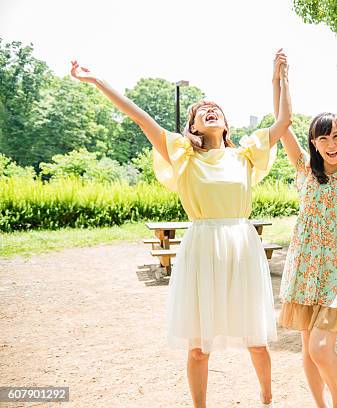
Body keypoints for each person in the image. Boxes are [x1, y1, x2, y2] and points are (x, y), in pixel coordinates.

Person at [70, 55, 293, 407]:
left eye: (215, 108)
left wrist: (279, 78)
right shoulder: (182, 155)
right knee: (199, 346)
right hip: (202, 245)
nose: (209, 110)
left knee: (256, 339)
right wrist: (98, 81)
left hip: (241, 244)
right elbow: (139, 116)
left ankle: (266, 398)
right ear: (192, 126)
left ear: (225, 123)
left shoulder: (245, 155)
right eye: (200, 111)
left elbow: (284, 120)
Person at [272, 54, 337, 408]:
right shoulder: (303, 168)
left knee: (319, 347)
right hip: (305, 267)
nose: (331, 144)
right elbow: (282, 124)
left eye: (336, 136)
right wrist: (281, 79)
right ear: (314, 144)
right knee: (307, 349)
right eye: (323, 138)